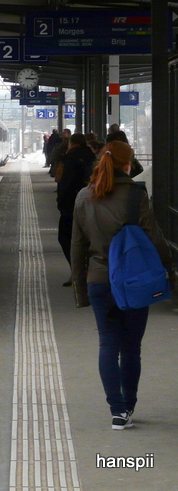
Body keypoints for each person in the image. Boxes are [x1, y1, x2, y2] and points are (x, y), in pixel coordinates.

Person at [71, 141, 174, 429]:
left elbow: (77, 248)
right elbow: (154, 239)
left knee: (107, 343)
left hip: (99, 281)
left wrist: (81, 290)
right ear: (128, 165)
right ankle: (128, 406)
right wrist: (170, 274)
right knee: (131, 348)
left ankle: (116, 411)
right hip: (131, 282)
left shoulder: (83, 196)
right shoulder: (135, 195)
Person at [56, 134, 96, 285]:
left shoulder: (69, 158)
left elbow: (63, 183)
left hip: (72, 206)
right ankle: (86, 272)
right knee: (89, 240)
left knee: (66, 239)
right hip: (92, 203)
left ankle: (77, 273)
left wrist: (61, 204)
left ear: (71, 143)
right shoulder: (93, 157)